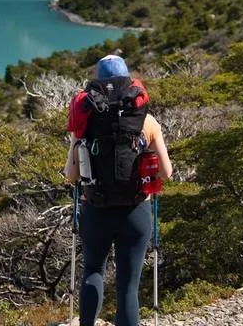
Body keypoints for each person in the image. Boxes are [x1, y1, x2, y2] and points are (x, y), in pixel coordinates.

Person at [63, 55, 174, 326]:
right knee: (127, 285)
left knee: (93, 271)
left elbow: (71, 175)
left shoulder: (84, 121)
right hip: (136, 211)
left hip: (96, 210)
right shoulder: (147, 121)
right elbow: (166, 172)